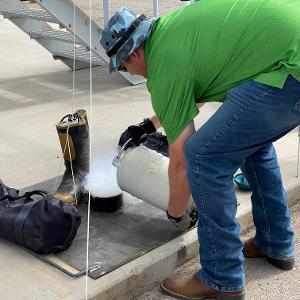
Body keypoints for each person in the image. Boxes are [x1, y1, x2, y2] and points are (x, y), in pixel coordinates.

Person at [100, 0, 300, 299]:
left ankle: (221, 277)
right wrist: (148, 126)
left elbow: (181, 158)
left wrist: (176, 213)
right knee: (249, 144)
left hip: (289, 68)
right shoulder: (174, 31)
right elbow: (193, 94)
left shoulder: (162, 65)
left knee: (204, 157)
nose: (132, 74)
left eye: (125, 65)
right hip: (288, 53)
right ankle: (275, 242)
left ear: (135, 50)